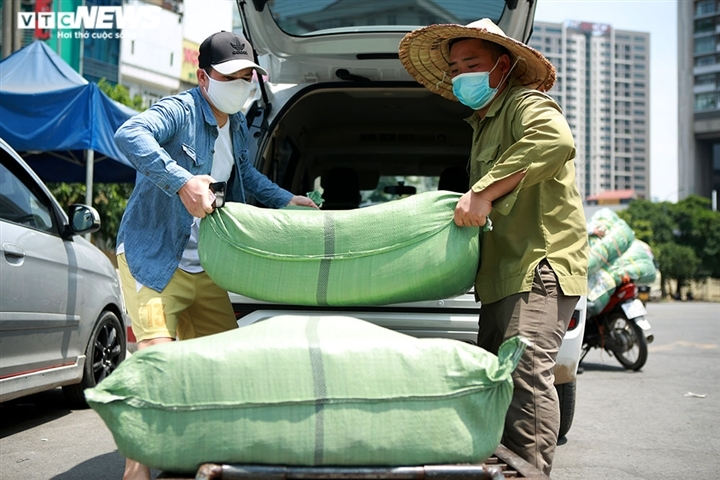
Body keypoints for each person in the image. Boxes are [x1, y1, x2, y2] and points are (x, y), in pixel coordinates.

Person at [114, 31, 317, 480]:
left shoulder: (238, 123)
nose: (241, 85)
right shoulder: (180, 110)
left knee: (226, 368)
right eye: (230, 76)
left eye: (247, 76)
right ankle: (137, 470)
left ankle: (202, 453)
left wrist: (286, 200)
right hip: (154, 260)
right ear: (203, 77)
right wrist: (182, 181)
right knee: (157, 363)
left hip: (206, 264)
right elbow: (130, 133)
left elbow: (245, 174)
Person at [399, 19, 588, 474]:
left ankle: (530, 472)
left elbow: (555, 140)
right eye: (455, 68)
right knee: (496, 377)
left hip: (538, 266)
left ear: (502, 67)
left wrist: (482, 192)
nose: (462, 74)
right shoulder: (482, 125)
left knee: (524, 372)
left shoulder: (525, 104)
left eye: (472, 64)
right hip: (501, 274)